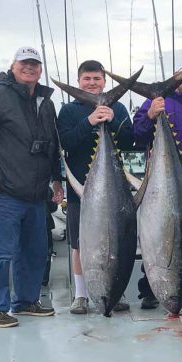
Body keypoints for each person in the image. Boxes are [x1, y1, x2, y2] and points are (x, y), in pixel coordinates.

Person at [0, 46, 64, 328]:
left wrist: (56, 179)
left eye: (34, 64)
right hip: (3, 193)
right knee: (1, 253)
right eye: (24, 63)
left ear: (40, 69)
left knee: (36, 252)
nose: (29, 68)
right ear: (13, 66)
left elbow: (52, 145)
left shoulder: (46, 101)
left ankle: (26, 301)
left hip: (36, 195)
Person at [57, 60, 135, 314]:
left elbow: (130, 142)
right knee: (81, 243)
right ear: (79, 81)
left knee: (118, 239)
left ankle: (115, 289)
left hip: (115, 189)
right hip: (81, 188)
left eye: (97, 79)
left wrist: (112, 121)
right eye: (87, 79)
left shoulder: (119, 107)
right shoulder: (69, 111)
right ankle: (80, 295)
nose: (92, 83)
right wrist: (90, 121)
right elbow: (66, 141)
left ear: (105, 81)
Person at [133, 62, 182, 308]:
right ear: (176, 78)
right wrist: (149, 115)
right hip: (161, 190)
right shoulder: (156, 102)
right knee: (157, 237)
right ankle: (150, 290)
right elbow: (137, 135)